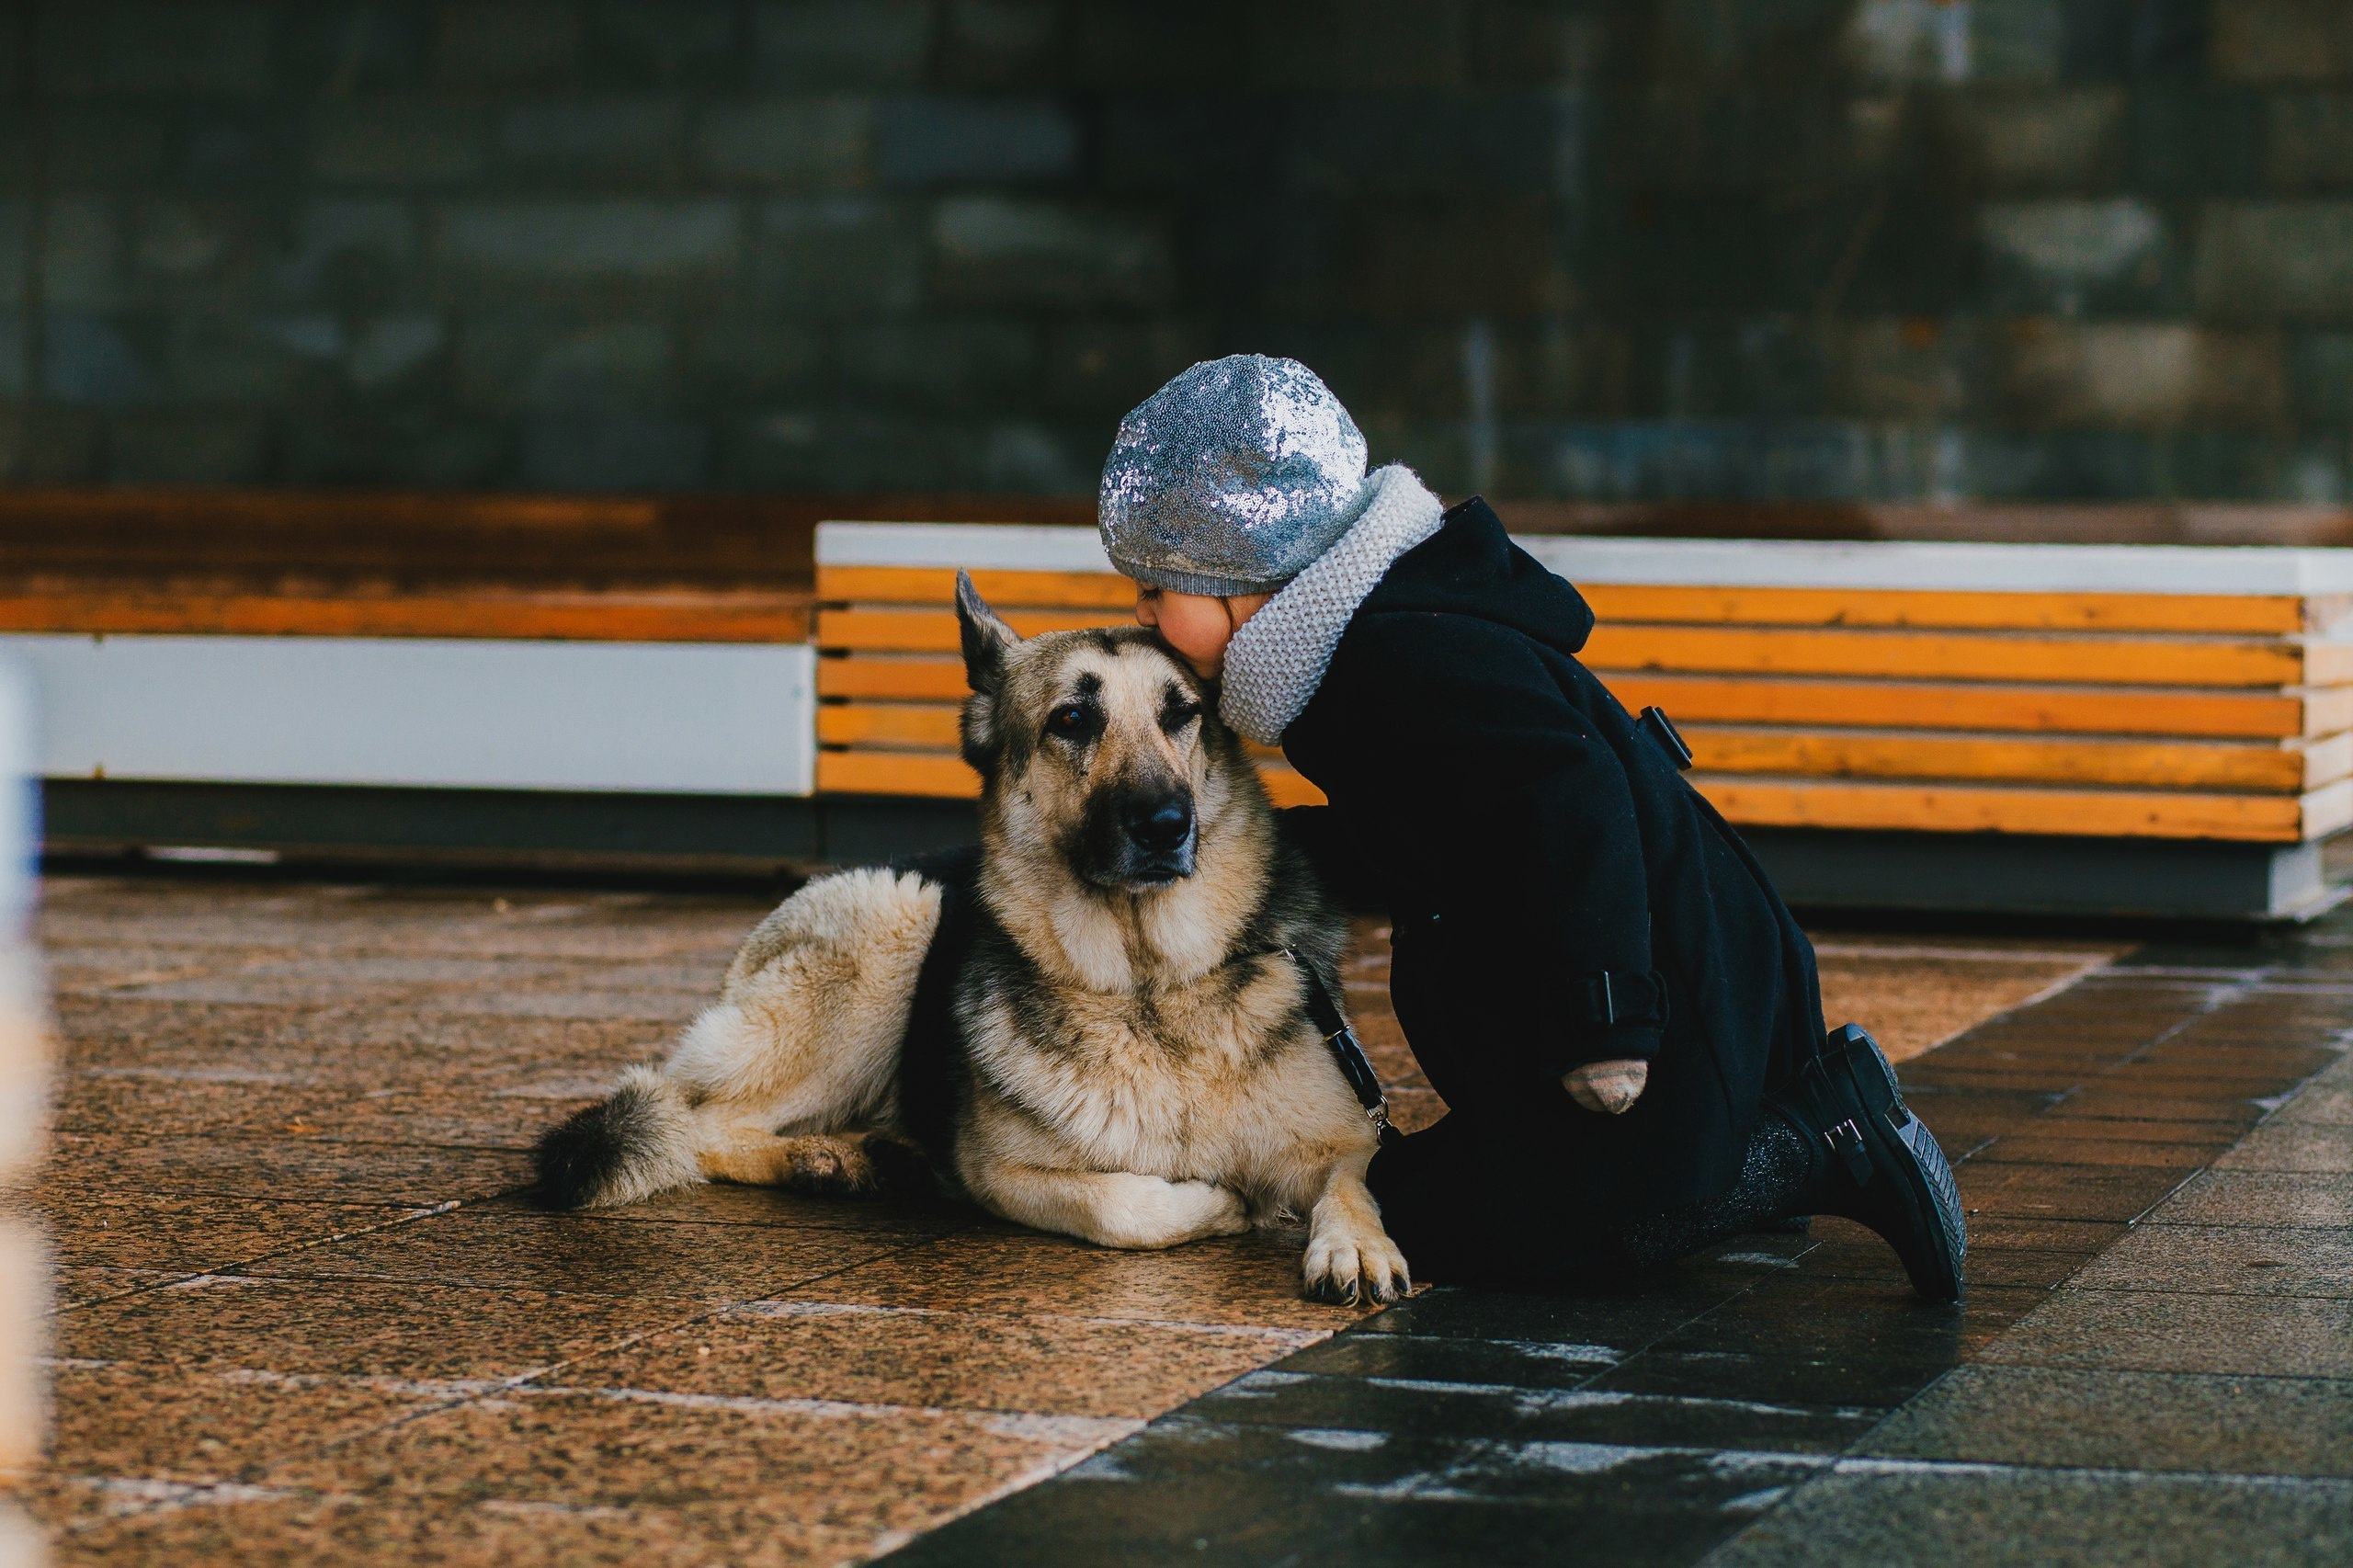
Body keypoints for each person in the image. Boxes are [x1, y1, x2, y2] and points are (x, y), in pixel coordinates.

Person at [1101, 354, 1967, 1301]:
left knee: (1459, 1223)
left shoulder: (1398, 655)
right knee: (1437, 1196)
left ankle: (1812, 1143)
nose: (1141, 611)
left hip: (1657, 1001)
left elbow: (1568, 795)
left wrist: (1603, 1022)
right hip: (1682, 975)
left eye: (1156, 587)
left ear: (1244, 572)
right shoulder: (1376, 643)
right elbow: (1425, 832)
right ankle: (1739, 1154)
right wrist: (1253, 864)